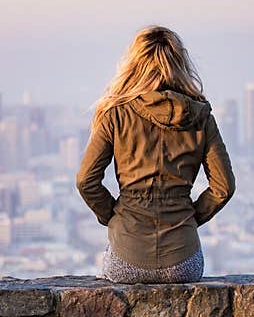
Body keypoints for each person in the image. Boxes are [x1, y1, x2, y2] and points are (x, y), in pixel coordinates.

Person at [76, 25, 235, 283]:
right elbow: (224, 187)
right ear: (180, 64)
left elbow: (86, 181)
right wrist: (189, 218)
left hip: (127, 256)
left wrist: (114, 216)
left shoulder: (115, 114)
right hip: (184, 262)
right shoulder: (201, 116)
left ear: (133, 64)